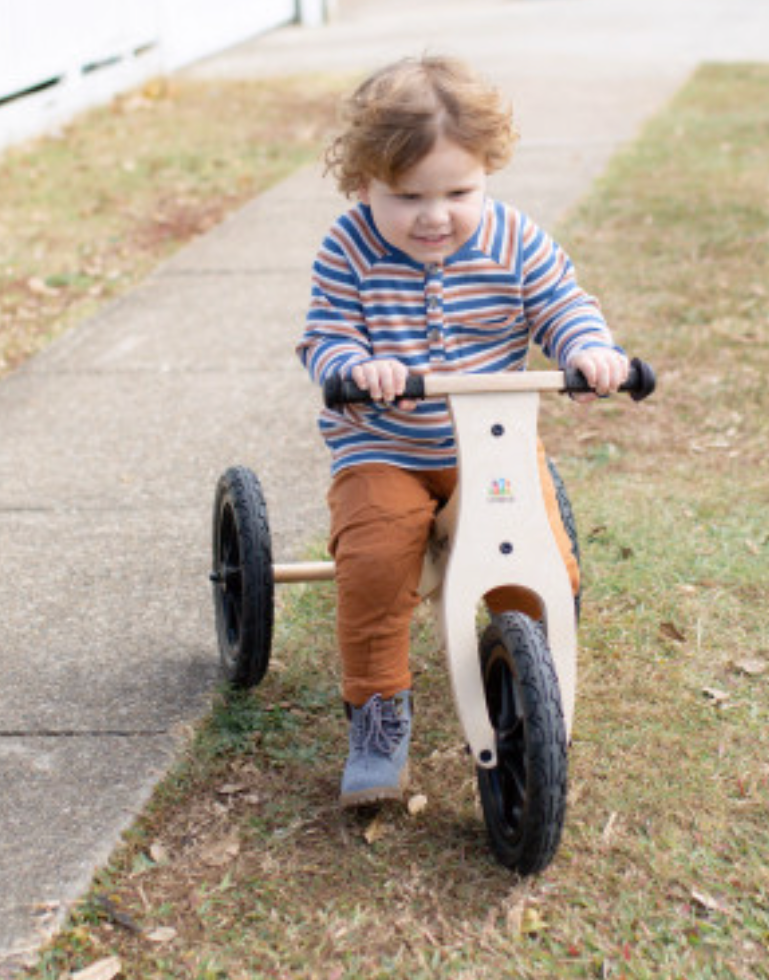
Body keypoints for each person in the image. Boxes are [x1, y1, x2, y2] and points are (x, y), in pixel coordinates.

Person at [296, 55, 629, 807]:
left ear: (489, 173)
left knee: (543, 573)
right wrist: (357, 365)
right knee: (378, 563)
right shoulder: (348, 251)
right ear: (362, 186)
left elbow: (561, 302)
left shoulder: (514, 239)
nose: (435, 215)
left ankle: (530, 681)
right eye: (407, 196)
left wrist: (587, 350)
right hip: (386, 446)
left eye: (458, 191)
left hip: (494, 447)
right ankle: (379, 711)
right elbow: (324, 337)